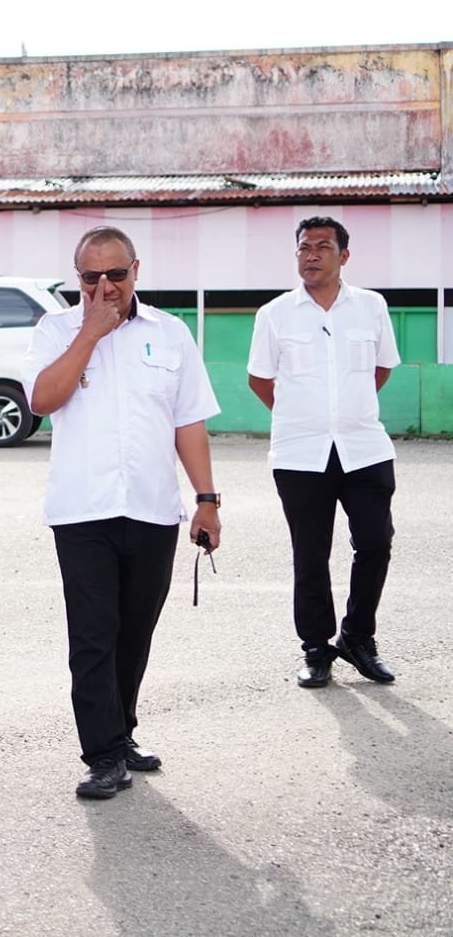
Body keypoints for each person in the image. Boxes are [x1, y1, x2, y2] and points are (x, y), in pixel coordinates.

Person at [22, 225, 221, 800]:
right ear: (77, 277)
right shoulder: (54, 330)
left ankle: (121, 731)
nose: (104, 286)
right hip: (82, 511)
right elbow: (41, 400)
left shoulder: (171, 333)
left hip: (153, 509)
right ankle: (103, 754)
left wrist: (207, 500)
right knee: (93, 637)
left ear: (137, 270)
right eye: (91, 277)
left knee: (134, 634)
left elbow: (188, 422)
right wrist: (89, 333)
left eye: (116, 273)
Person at [247, 216, 401, 688]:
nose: (310, 255)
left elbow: (381, 368)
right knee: (310, 553)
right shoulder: (274, 314)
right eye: (303, 247)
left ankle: (357, 637)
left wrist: (347, 412)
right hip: (300, 454)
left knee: (375, 542)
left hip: (364, 447)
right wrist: (302, 416)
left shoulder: (371, 306)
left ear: (344, 255)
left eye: (322, 246)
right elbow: (260, 379)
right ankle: (316, 648)